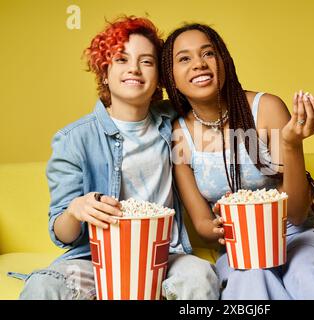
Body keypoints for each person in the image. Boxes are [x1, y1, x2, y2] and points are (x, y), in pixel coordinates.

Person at [161, 23, 314, 299]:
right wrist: (221, 228)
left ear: (224, 62)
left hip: (298, 235)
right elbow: (201, 222)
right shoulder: (178, 134)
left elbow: (295, 212)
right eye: (184, 58)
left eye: (208, 53)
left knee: (308, 277)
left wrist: (291, 144)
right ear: (170, 77)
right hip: (240, 246)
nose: (199, 64)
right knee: (250, 284)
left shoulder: (267, 108)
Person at [18, 16, 219, 300]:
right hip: (95, 260)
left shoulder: (173, 121)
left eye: (146, 61)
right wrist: (76, 209)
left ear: (160, 76)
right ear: (104, 71)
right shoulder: (73, 139)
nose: (134, 69)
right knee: (43, 287)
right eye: (121, 59)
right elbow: (61, 234)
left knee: (201, 277)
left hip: (164, 257)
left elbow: (215, 98)